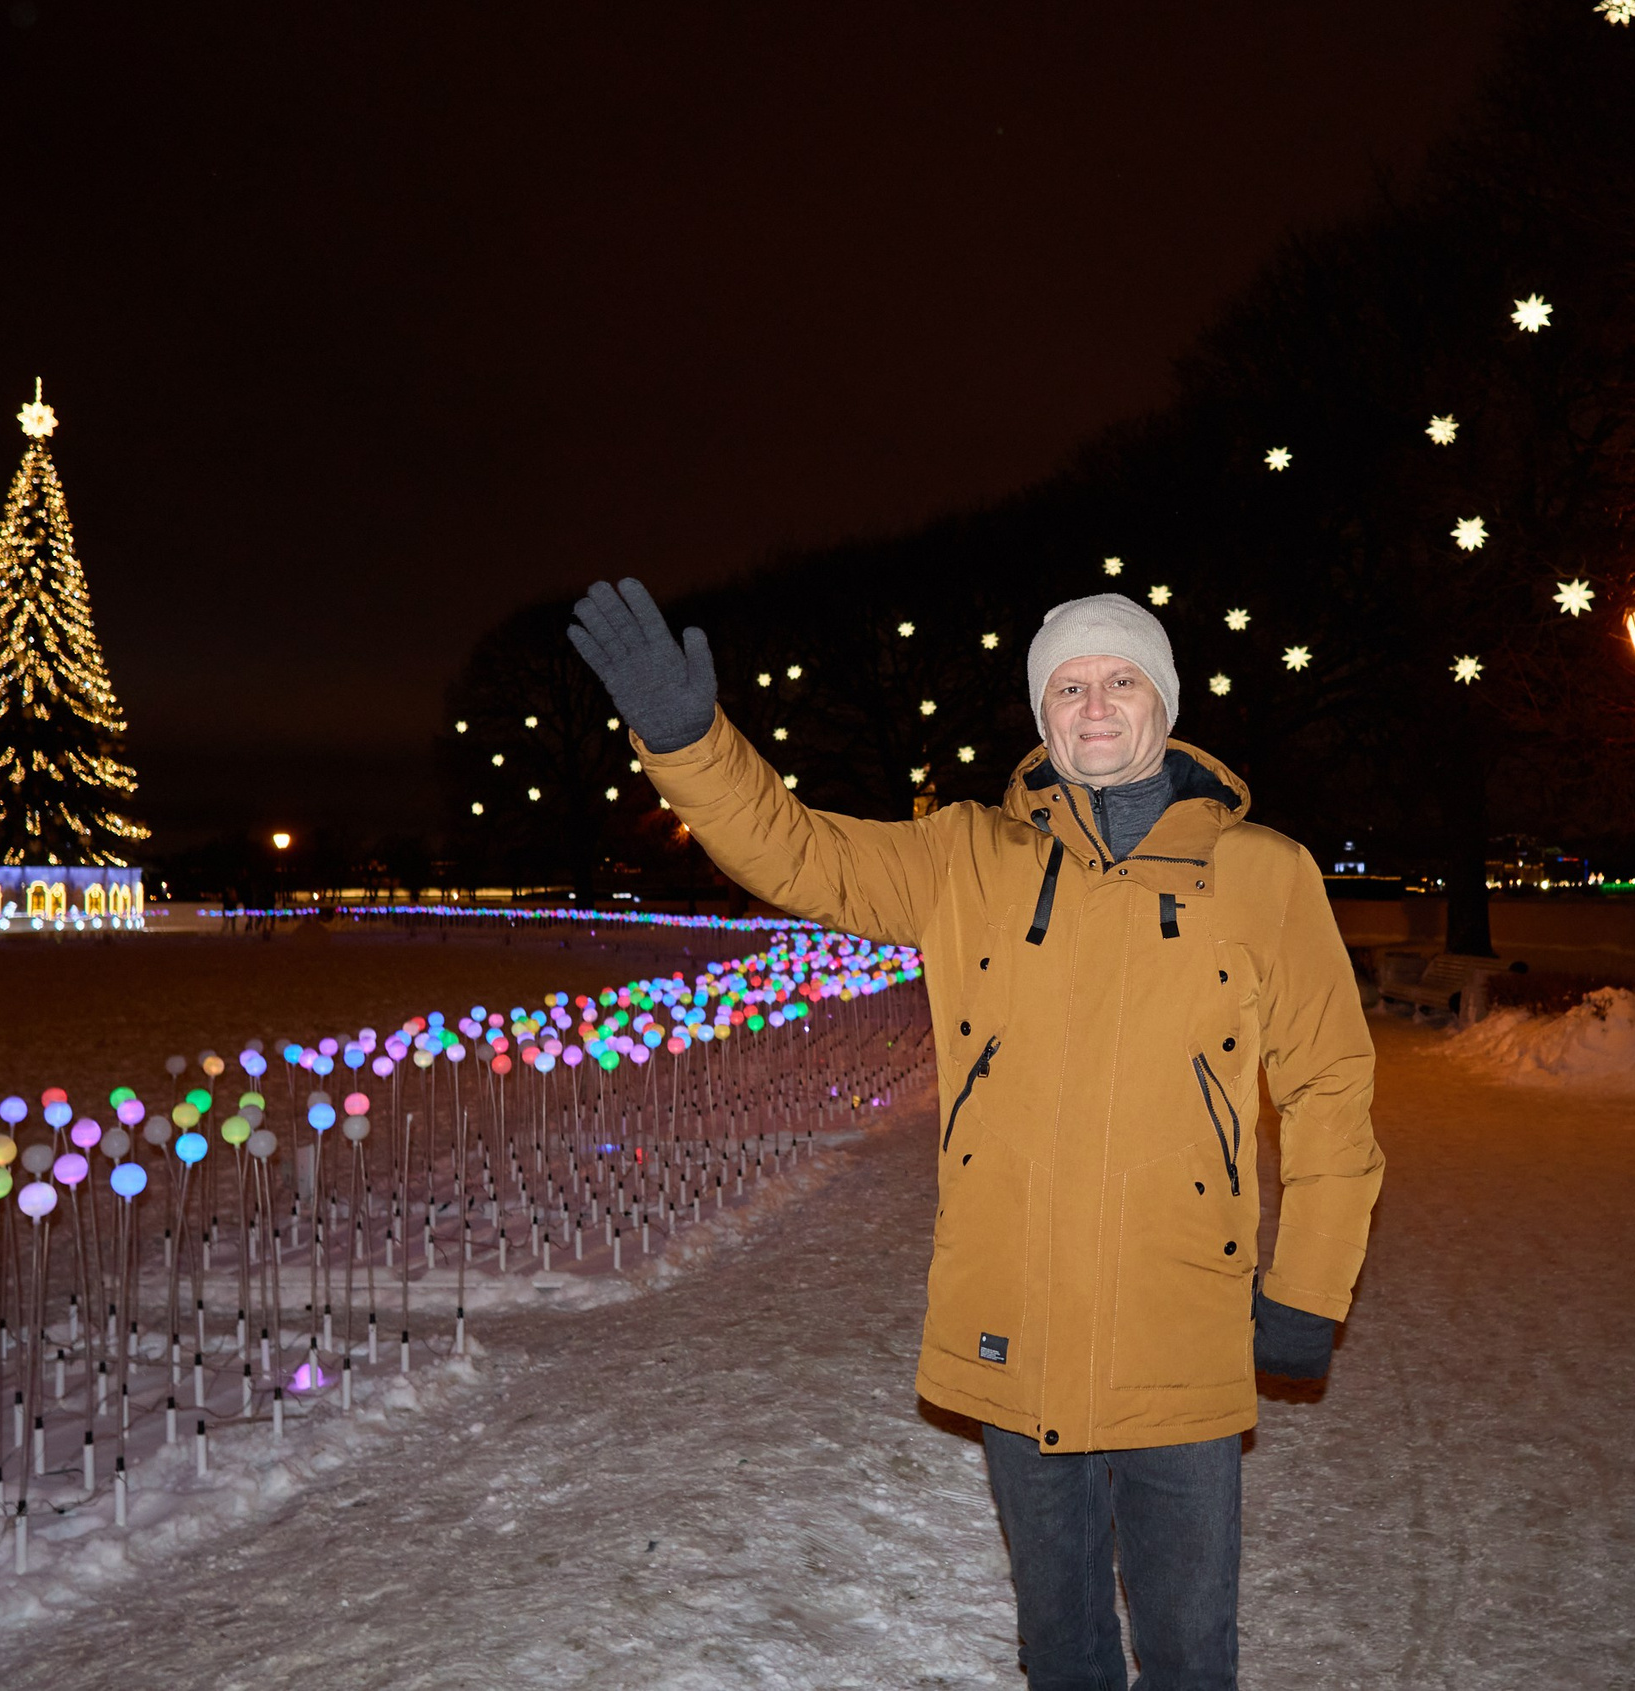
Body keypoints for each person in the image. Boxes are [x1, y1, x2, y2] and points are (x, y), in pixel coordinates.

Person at [570, 581, 1383, 1690]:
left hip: (1181, 1320)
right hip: (1016, 1311)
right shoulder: (964, 854)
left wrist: (1309, 1288)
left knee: (1190, 1654)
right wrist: (688, 743)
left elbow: (1331, 1087)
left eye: (1119, 680)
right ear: (1042, 715)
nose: (1094, 706)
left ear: (1163, 700)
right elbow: (796, 851)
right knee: (1062, 1650)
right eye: (1068, 688)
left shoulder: (1265, 874)